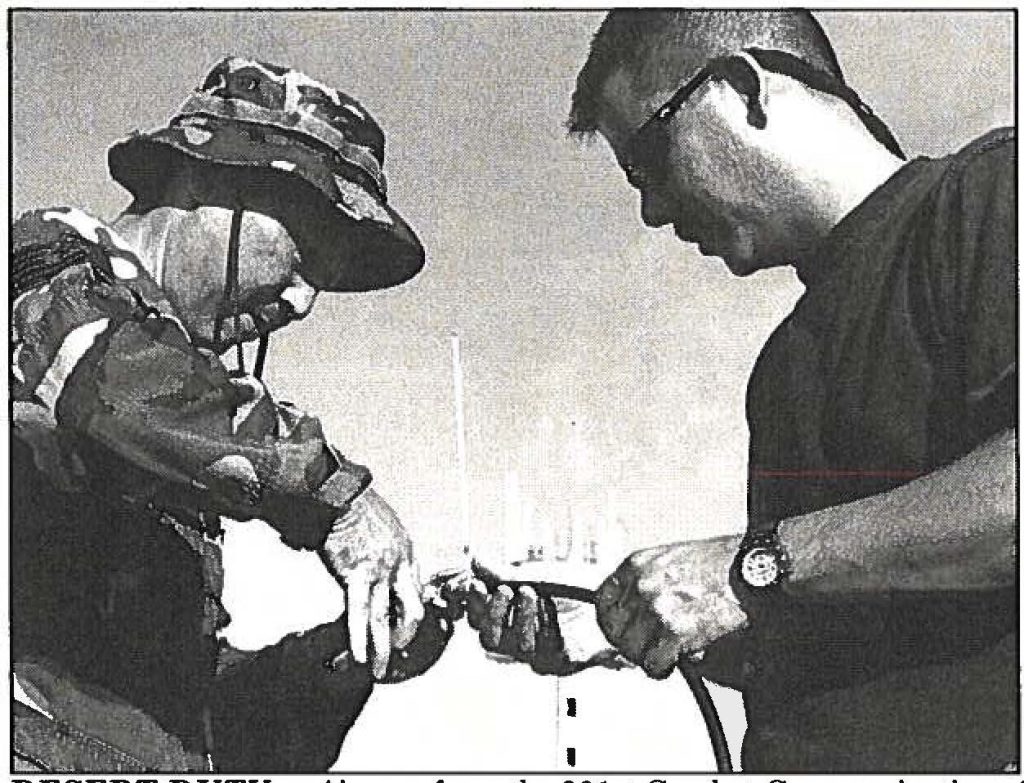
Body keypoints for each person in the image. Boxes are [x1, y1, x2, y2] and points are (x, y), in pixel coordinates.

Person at [468, 11, 1017, 772]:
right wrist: (619, 628)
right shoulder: (782, 366)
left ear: (743, 88)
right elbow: (829, 620)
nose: (651, 210)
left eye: (649, 161)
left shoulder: (993, 192)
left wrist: (750, 567)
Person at [11, 56, 451, 772]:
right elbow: (113, 378)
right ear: (202, 174)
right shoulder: (41, 261)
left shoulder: (177, 433)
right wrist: (335, 496)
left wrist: (350, 652)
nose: (303, 302)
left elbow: (188, 713)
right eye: (303, 251)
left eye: (326, 283)